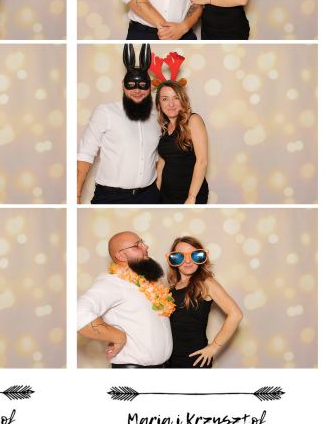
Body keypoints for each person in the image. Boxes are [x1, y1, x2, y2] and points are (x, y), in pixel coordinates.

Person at [77, 44, 161, 204]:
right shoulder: (105, 112)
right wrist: (76, 195)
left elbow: (156, 157)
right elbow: (85, 154)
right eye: (131, 85)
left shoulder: (157, 117)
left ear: (150, 87)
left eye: (142, 85)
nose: (137, 90)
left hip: (149, 196)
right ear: (123, 85)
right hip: (111, 197)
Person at [77, 231, 175, 368]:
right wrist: (118, 337)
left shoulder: (150, 282)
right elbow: (78, 314)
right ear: (120, 255)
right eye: (137, 246)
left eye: (142, 242)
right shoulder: (112, 282)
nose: (146, 247)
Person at [166, 236, 242, 368]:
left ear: (201, 257)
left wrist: (214, 347)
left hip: (194, 360)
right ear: (173, 259)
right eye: (180, 256)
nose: (188, 261)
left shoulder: (206, 283)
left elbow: (236, 314)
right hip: (171, 360)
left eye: (194, 255)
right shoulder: (173, 287)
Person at [156, 81, 209, 204]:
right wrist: (156, 193)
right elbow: (162, 164)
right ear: (159, 104)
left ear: (183, 100)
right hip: (166, 195)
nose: (171, 104)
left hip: (190, 195)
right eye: (165, 99)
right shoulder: (165, 128)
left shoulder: (193, 120)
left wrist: (192, 197)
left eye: (176, 98)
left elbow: (202, 161)